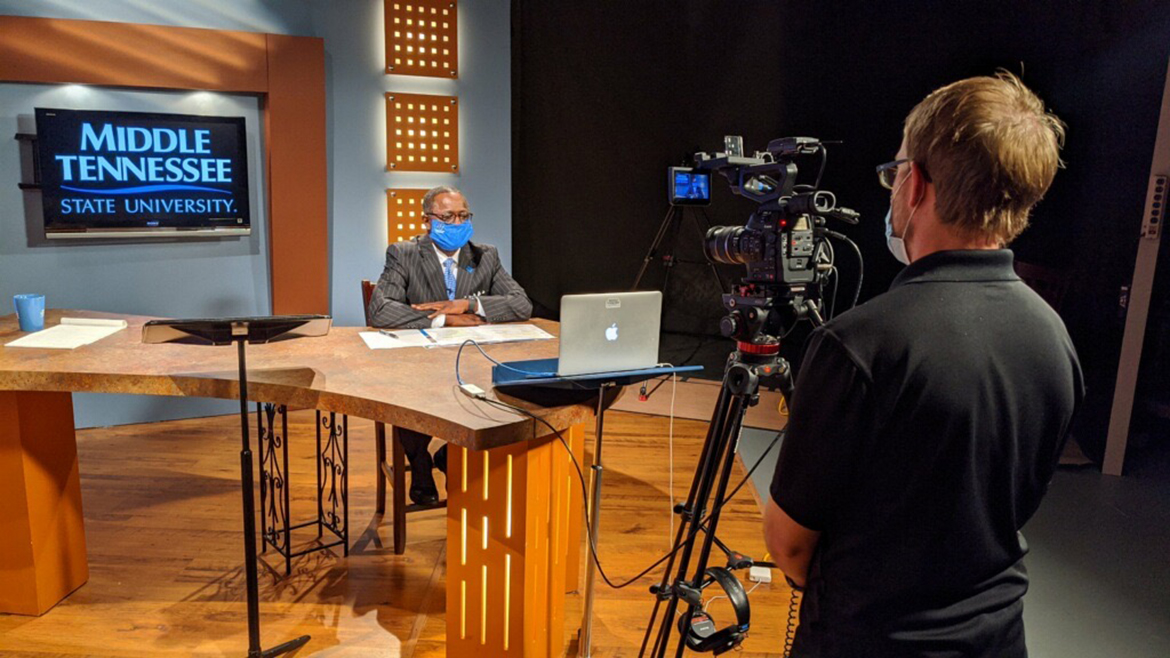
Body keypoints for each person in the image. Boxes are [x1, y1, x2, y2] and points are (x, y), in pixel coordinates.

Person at [763, 72, 1084, 657]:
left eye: (896, 171)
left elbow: (788, 545)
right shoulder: (1054, 337)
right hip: (998, 640)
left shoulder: (857, 345)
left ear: (916, 188)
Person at [368, 185, 532, 504]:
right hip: (419, 362)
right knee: (411, 391)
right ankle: (420, 465)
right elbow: (380, 309)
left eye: (463, 216)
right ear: (427, 220)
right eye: (447, 216)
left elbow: (522, 304)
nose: (457, 223)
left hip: (473, 359)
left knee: (498, 393)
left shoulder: (485, 256)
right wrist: (443, 319)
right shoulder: (403, 253)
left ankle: (451, 454)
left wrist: (467, 307)